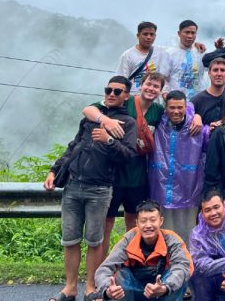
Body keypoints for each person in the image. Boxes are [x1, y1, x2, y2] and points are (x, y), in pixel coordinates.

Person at [81, 73, 203, 261]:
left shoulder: (158, 111)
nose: (151, 89)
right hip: (112, 174)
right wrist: (105, 120)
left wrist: (196, 116)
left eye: (156, 86)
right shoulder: (125, 102)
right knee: (107, 224)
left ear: (160, 91)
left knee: (134, 224)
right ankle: (102, 272)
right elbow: (88, 109)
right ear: (141, 84)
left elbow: (179, 109)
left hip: (138, 175)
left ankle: (133, 265)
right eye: (148, 84)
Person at [44, 76, 137, 301]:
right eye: (109, 90)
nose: (111, 94)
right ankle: (70, 287)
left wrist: (109, 140)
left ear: (126, 96)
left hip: (100, 188)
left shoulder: (128, 122)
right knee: (70, 239)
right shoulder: (92, 116)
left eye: (117, 91)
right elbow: (74, 146)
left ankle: (90, 287)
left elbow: (129, 156)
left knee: (95, 241)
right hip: (73, 185)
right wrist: (54, 171)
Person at [95, 200, 193, 301]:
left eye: (153, 220)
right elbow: (104, 269)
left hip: (162, 289)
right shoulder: (128, 239)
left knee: (180, 277)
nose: (148, 225)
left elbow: (184, 266)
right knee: (120, 275)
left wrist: (165, 287)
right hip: (135, 289)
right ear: (137, 223)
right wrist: (107, 290)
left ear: (161, 221)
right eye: (143, 221)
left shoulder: (172, 239)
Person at [148, 90, 208, 247]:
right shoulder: (158, 123)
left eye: (180, 107)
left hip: (189, 189)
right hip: (161, 188)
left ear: (185, 107)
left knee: (188, 231)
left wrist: (198, 117)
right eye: (172, 107)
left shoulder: (196, 127)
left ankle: (188, 266)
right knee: (164, 231)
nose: (176, 111)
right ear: (165, 108)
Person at [117, 22, 171, 95]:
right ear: (138, 35)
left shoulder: (161, 52)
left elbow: (177, 51)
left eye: (152, 34)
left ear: (155, 36)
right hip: (133, 97)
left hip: (152, 98)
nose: (149, 37)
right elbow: (121, 79)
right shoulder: (128, 55)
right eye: (145, 34)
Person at [166, 20, 209, 99]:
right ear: (179, 33)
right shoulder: (169, 54)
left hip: (197, 99)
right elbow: (164, 77)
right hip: (176, 101)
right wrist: (165, 95)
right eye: (187, 32)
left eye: (193, 33)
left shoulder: (200, 52)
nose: (190, 36)